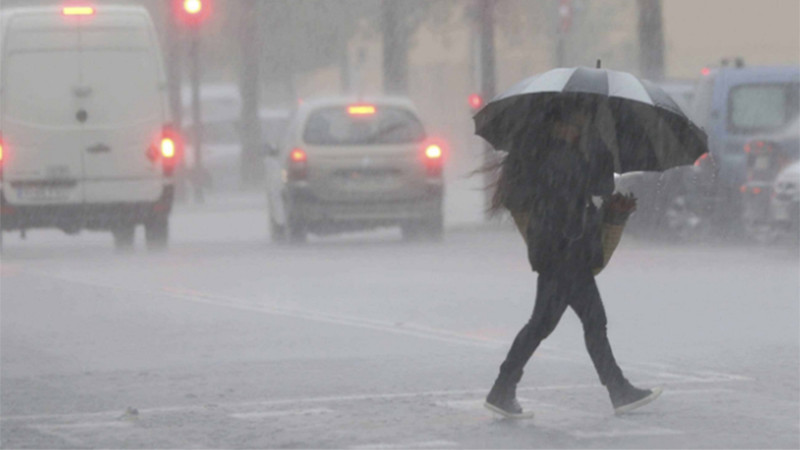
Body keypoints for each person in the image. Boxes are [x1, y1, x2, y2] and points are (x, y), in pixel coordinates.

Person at [484, 101, 662, 419]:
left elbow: (585, 195)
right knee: (578, 324)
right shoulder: (560, 157)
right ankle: (617, 389)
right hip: (565, 255)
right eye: (576, 124)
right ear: (559, 125)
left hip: (561, 254)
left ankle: (504, 388)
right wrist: (597, 152)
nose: (577, 129)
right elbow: (595, 187)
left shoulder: (549, 156)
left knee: (556, 324)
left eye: (581, 125)